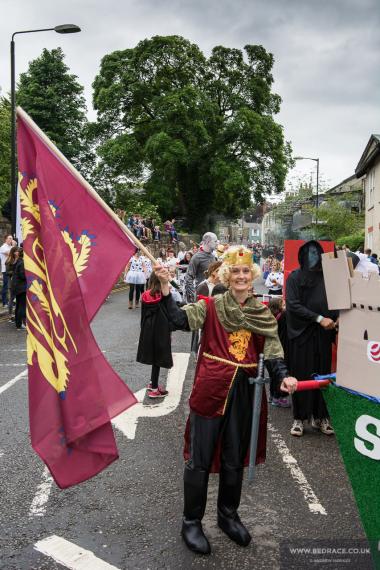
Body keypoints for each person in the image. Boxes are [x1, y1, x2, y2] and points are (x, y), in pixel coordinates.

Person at [154, 246, 297, 555]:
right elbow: (179, 319)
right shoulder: (211, 305)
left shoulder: (261, 312)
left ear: (253, 276)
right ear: (226, 275)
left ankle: (227, 516)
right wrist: (166, 286)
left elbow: (272, 349)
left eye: (246, 271)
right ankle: (191, 522)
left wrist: (283, 375)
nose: (241, 276)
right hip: (211, 389)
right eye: (236, 271)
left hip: (245, 391)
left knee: (235, 457)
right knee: (200, 458)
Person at [286, 240, 338, 437]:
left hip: (323, 335)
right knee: (300, 374)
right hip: (302, 334)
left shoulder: (329, 278)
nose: (313, 257)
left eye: (317, 253)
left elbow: (338, 300)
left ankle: (321, 417)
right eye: (309, 253)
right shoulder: (295, 277)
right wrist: (318, 318)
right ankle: (299, 418)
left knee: (323, 375)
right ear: (302, 255)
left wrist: (337, 317)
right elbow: (293, 305)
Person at [137, 272, 170, 399]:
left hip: (147, 329)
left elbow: (143, 314)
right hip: (160, 329)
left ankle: (152, 383)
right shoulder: (164, 294)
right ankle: (155, 389)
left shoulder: (145, 295)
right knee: (158, 359)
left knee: (153, 357)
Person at [268, 297, 289, 408]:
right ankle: (278, 398)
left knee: (272, 376)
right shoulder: (283, 316)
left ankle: (272, 396)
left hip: (268, 350)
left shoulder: (269, 316)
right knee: (278, 375)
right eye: (283, 303)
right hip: (279, 348)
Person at [184, 232, 218, 303]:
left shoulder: (213, 257)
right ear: (208, 242)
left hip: (213, 293)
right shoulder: (196, 257)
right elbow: (188, 277)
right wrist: (194, 294)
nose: (217, 243)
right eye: (215, 241)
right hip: (202, 293)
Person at [12, 247, 27, 330]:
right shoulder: (21, 262)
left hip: (17, 287)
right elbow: (22, 275)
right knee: (21, 306)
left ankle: (18, 323)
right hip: (21, 287)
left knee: (18, 305)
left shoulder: (17, 261)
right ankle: (19, 324)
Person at [5, 246, 18, 322]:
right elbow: (7, 272)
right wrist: (15, 272)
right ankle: (10, 316)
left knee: (18, 300)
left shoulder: (19, 259)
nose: (18, 252)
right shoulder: (9, 260)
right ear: (13, 252)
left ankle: (17, 315)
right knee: (11, 299)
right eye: (16, 251)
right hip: (12, 283)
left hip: (18, 283)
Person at [0, 235, 13, 308]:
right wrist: (14, 246)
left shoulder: (11, 247)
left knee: (11, 286)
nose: (11, 240)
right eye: (9, 238)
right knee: (5, 286)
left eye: (12, 238)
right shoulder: (2, 247)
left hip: (12, 269)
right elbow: (11, 254)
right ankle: (4, 302)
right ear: (5, 239)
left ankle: (10, 302)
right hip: (5, 269)